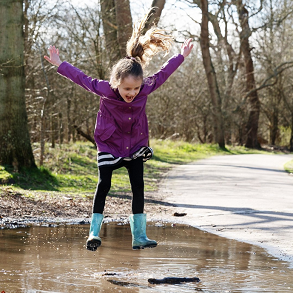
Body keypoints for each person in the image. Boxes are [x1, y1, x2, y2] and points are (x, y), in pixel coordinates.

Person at [44, 11, 193, 251]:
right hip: (109, 143)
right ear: (116, 83)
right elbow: (82, 78)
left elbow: (163, 74)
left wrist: (181, 56)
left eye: (135, 88)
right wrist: (60, 64)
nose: (131, 93)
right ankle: (93, 233)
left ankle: (139, 236)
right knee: (104, 184)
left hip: (135, 145)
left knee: (138, 186)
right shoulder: (105, 90)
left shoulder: (145, 89)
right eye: (126, 88)